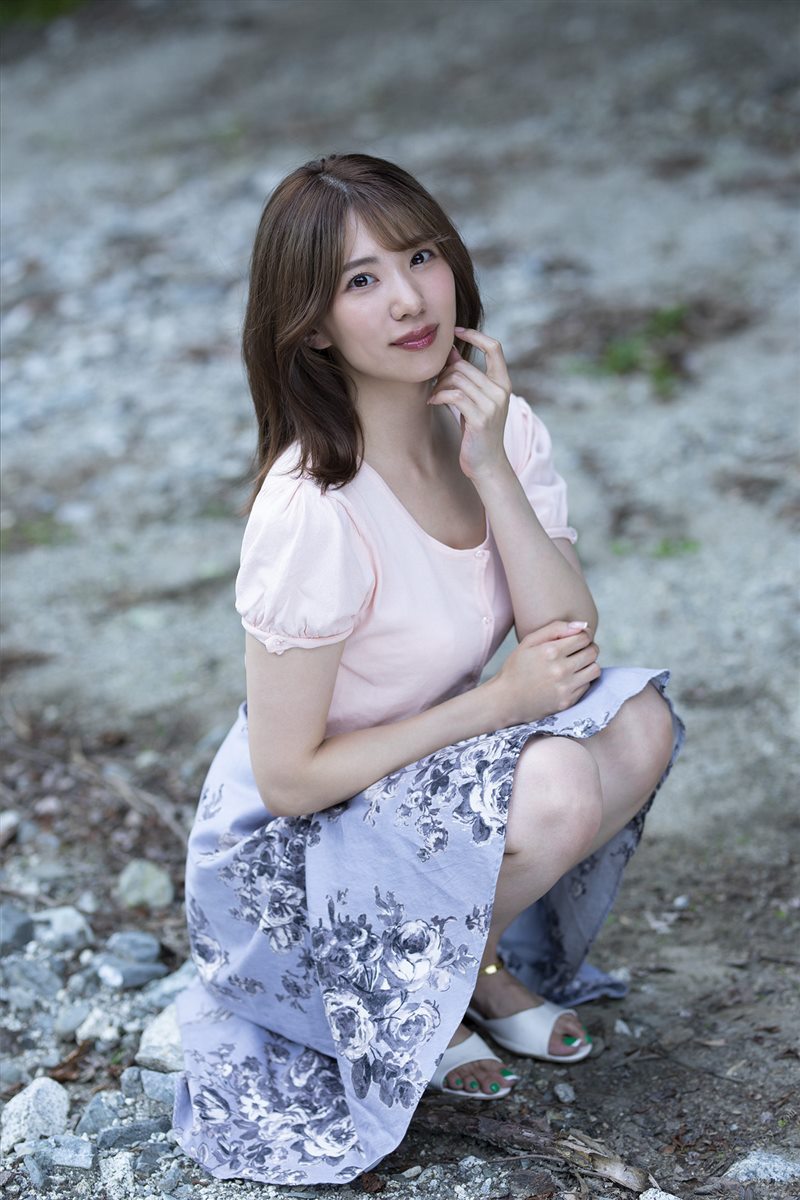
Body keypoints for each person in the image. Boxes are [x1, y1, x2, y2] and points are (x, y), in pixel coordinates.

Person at [172, 153, 684, 1186]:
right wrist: (496, 704)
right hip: (293, 854)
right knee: (555, 783)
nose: (408, 300)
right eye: (360, 281)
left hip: (411, 784)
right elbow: (289, 779)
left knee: (637, 723)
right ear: (314, 325)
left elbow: (564, 635)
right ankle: (409, 988)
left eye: (419, 257)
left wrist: (489, 462)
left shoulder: (493, 424)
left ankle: (461, 968)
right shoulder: (312, 509)